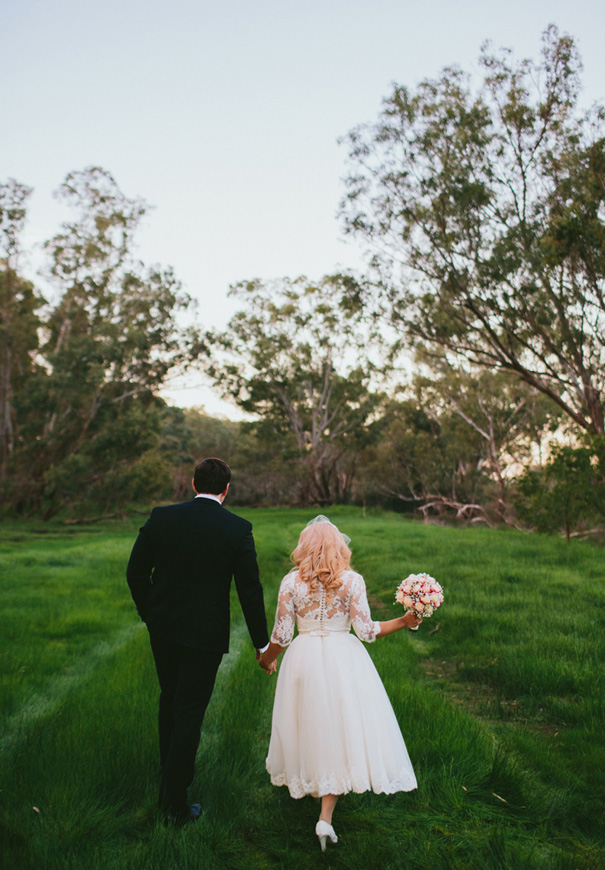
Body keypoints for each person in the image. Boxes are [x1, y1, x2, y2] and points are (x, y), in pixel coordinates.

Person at [258, 515, 420, 851]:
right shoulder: (352, 581)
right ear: (338, 547)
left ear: (304, 547)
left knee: (308, 724)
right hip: (343, 659)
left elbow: (283, 635)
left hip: (302, 659)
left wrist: (267, 658)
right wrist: (404, 621)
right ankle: (325, 817)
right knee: (339, 727)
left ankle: (317, 793)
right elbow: (366, 631)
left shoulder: (291, 583)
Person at [127, 457, 272, 826]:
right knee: (188, 710)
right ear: (226, 489)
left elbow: (136, 572)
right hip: (205, 637)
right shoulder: (237, 528)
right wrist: (262, 643)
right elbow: (250, 590)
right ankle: (174, 804)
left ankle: (168, 777)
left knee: (170, 699)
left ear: (193, 484)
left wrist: (150, 614)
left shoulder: (162, 517)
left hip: (165, 631)